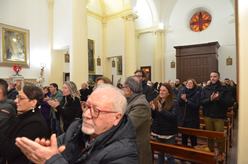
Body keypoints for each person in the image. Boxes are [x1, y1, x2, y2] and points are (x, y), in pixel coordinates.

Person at [15, 84, 139, 164]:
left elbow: (52, 160)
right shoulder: (76, 128)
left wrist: (51, 160)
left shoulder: (126, 153)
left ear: (116, 118)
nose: (85, 115)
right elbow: (51, 153)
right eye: (86, 106)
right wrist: (41, 154)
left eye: (96, 111)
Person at [0, 86, 47, 164]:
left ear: (33, 102)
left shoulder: (35, 123)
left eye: (20, 98)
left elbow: (9, 151)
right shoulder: (24, 116)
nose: (15, 101)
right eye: (17, 97)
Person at [200, 71, 233, 152]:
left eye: (215, 76)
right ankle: (211, 155)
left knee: (219, 138)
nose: (212, 78)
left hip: (219, 116)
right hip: (208, 116)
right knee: (209, 137)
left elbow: (229, 103)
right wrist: (210, 100)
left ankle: (221, 154)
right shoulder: (206, 88)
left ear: (219, 78)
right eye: (211, 76)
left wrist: (219, 99)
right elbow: (201, 102)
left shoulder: (225, 88)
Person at [122, 76, 152, 164]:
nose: (121, 90)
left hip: (136, 150)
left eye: (122, 87)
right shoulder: (131, 101)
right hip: (129, 147)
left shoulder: (140, 104)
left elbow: (127, 126)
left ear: (128, 90)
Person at [150, 83, 179, 164]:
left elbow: (173, 117)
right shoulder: (157, 100)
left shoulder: (174, 102)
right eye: (160, 90)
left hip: (168, 132)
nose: (161, 92)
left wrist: (161, 111)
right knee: (160, 153)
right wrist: (153, 110)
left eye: (164, 90)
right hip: (158, 131)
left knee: (169, 155)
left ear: (169, 93)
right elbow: (155, 117)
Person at [177, 78, 200, 147]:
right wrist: (182, 99)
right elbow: (178, 103)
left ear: (194, 85)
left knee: (193, 138)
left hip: (193, 119)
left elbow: (196, 106)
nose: (189, 84)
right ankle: (184, 154)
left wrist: (187, 101)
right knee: (184, 137)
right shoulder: (181, 92)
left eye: (191, 83)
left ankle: (194, 154)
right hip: (184, 118)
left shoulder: (197, 93)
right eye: (187, 83)